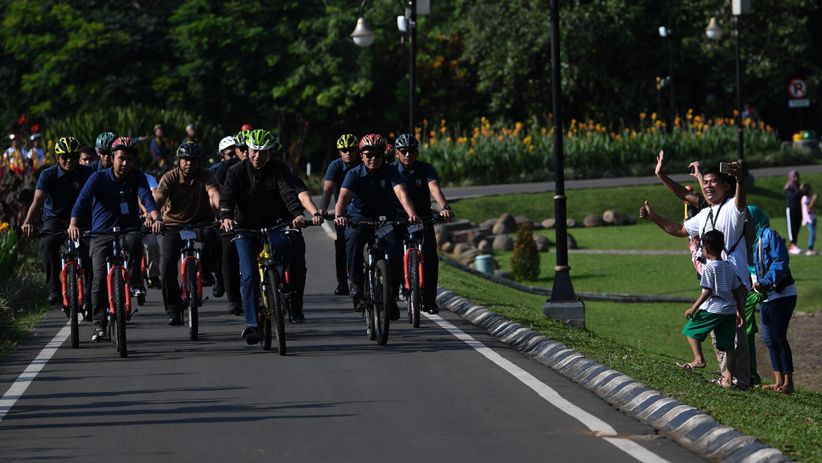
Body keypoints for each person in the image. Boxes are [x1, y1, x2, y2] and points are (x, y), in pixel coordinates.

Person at [640, 163, 752, 388]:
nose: (708, 186)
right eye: (706, 182)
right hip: (714, 279)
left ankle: (741, 380)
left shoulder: (732, 208)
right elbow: (680, 230)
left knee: (736, 335)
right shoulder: (704, 214)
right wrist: (654, 217)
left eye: (713, 182)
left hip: (735, 281)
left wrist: (740, 179)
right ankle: (728, 377)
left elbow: (741, 199)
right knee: (721, 335)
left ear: (726, 186)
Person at [68, 137, 163, 341]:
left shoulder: (137, 177)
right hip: (101, 233)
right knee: (99, 278)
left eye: (129, 159)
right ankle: (99, 323)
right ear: (112, 158)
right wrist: (73, 224)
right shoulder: (97, 178)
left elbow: (147, 199)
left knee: (135, 241)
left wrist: (156, 218)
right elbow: (81, 202)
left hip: (128, 227)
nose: (125, 163)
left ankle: (135, 279)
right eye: (121, 158)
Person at [219, 129, 305, 343]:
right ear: (247, 151)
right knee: (248, 275)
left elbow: (287, 192)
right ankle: (251, 324)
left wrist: (297, 214)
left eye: (263, 152)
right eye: (255, 151)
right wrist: (227, 216)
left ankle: (279, 286)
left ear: (270, 153)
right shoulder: (235, 172)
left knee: (286, 245)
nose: (258, 157)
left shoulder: (277, 169)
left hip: (272, 226)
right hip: (244, 229)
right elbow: (226, 198)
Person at [334, 134, 419, 319]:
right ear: (361, 155)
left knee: (396, 254)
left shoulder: (391, 172)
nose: (373, 159)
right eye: (369, 155)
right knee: (354, 240)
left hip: (385, 221)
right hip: (360, 219)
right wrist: (339, 215)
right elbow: (343, 197)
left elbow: (402, 194)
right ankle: (356, 283)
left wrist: (412, 215)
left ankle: (391, 297)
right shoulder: (354, 173)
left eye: (378, 155)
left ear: (384, 156)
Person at [153, 142, 221, 325]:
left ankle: (206, 271)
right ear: (179, 160)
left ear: (198, 161)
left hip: (201, 223)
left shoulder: (206, 175)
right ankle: (173, 309)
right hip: (173, 225)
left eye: (192, 160)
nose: (189, 163)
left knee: (213, 235)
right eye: (185, 159)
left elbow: (213, 192)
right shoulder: (170, 177)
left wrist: (222, 210)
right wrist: (153, 215)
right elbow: (159, 197)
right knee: (167, 264)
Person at [21, 137, 94, 306]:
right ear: (57, 158)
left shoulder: (87, 173)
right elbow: (38, 201)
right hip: (55, 220)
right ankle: (54, 289)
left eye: (74, 156)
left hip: (82, 220)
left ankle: (91, 295)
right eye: (64, 156)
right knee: (48, 244)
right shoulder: (48, 175)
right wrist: (27, 222)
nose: (69, 160)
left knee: (90, 251)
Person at [393, 133, 453, 313]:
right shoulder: (391, 170)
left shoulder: (426, 168)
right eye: (403, 151)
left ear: (417, 152)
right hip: (397, 218)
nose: (407, 155)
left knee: (430, 256)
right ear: (397, 153)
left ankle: (429, 301)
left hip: (422, 218)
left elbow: (434, 188)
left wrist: (444, 206)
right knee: (391, 253)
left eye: (411, 151)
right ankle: (390, 291)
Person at [679, 230, 745, 388]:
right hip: (729, 311)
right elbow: (736, 290)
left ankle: (698, 360)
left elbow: (708, 290)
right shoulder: (729, 267)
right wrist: (739, 311)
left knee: (690, 331)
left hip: (713, 309)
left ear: (706, 249)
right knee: (728, 346)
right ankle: (728, 379)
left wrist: (693, 308)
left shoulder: (709, 268)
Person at [749, 207, 797, 393]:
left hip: (782, 294)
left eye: (748, 220)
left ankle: (788, 382)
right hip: (767, 295)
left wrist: (765, 281)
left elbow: (780, 261)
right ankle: (778, 381)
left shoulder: (769, 234)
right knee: (769, 339)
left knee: (778, 337)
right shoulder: (752, 242)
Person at [319, 133, 361, 296]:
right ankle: (342, 282)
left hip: (362, 210)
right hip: (342, 212)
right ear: (339, 152)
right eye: (344, 150)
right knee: (341, 244)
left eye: (351, 149)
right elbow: (328, 189)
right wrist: (322, 209)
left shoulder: (363, 164)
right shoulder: (335, 166)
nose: (348, 153)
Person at [784, 170, 802, 255]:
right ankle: (792, 245)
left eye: (797, 176)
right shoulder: (789, 186)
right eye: (794, 176)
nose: (796, 178)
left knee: (796, 227)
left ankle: (794, 244)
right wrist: (800, 191)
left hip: (799, 209)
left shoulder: (799, 186)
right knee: (791, 227)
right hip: (791, 209)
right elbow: (792, 197)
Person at [800, 183, 817, 256]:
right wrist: (813, 200)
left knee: (813, 233)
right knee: (812, 233)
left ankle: (811, 248)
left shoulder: (808, 198)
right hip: (809, 219)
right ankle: (810, 249)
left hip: (812, 217)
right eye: (810, 190)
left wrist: (814, 200)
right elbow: (809, 208)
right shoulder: (805, 198)